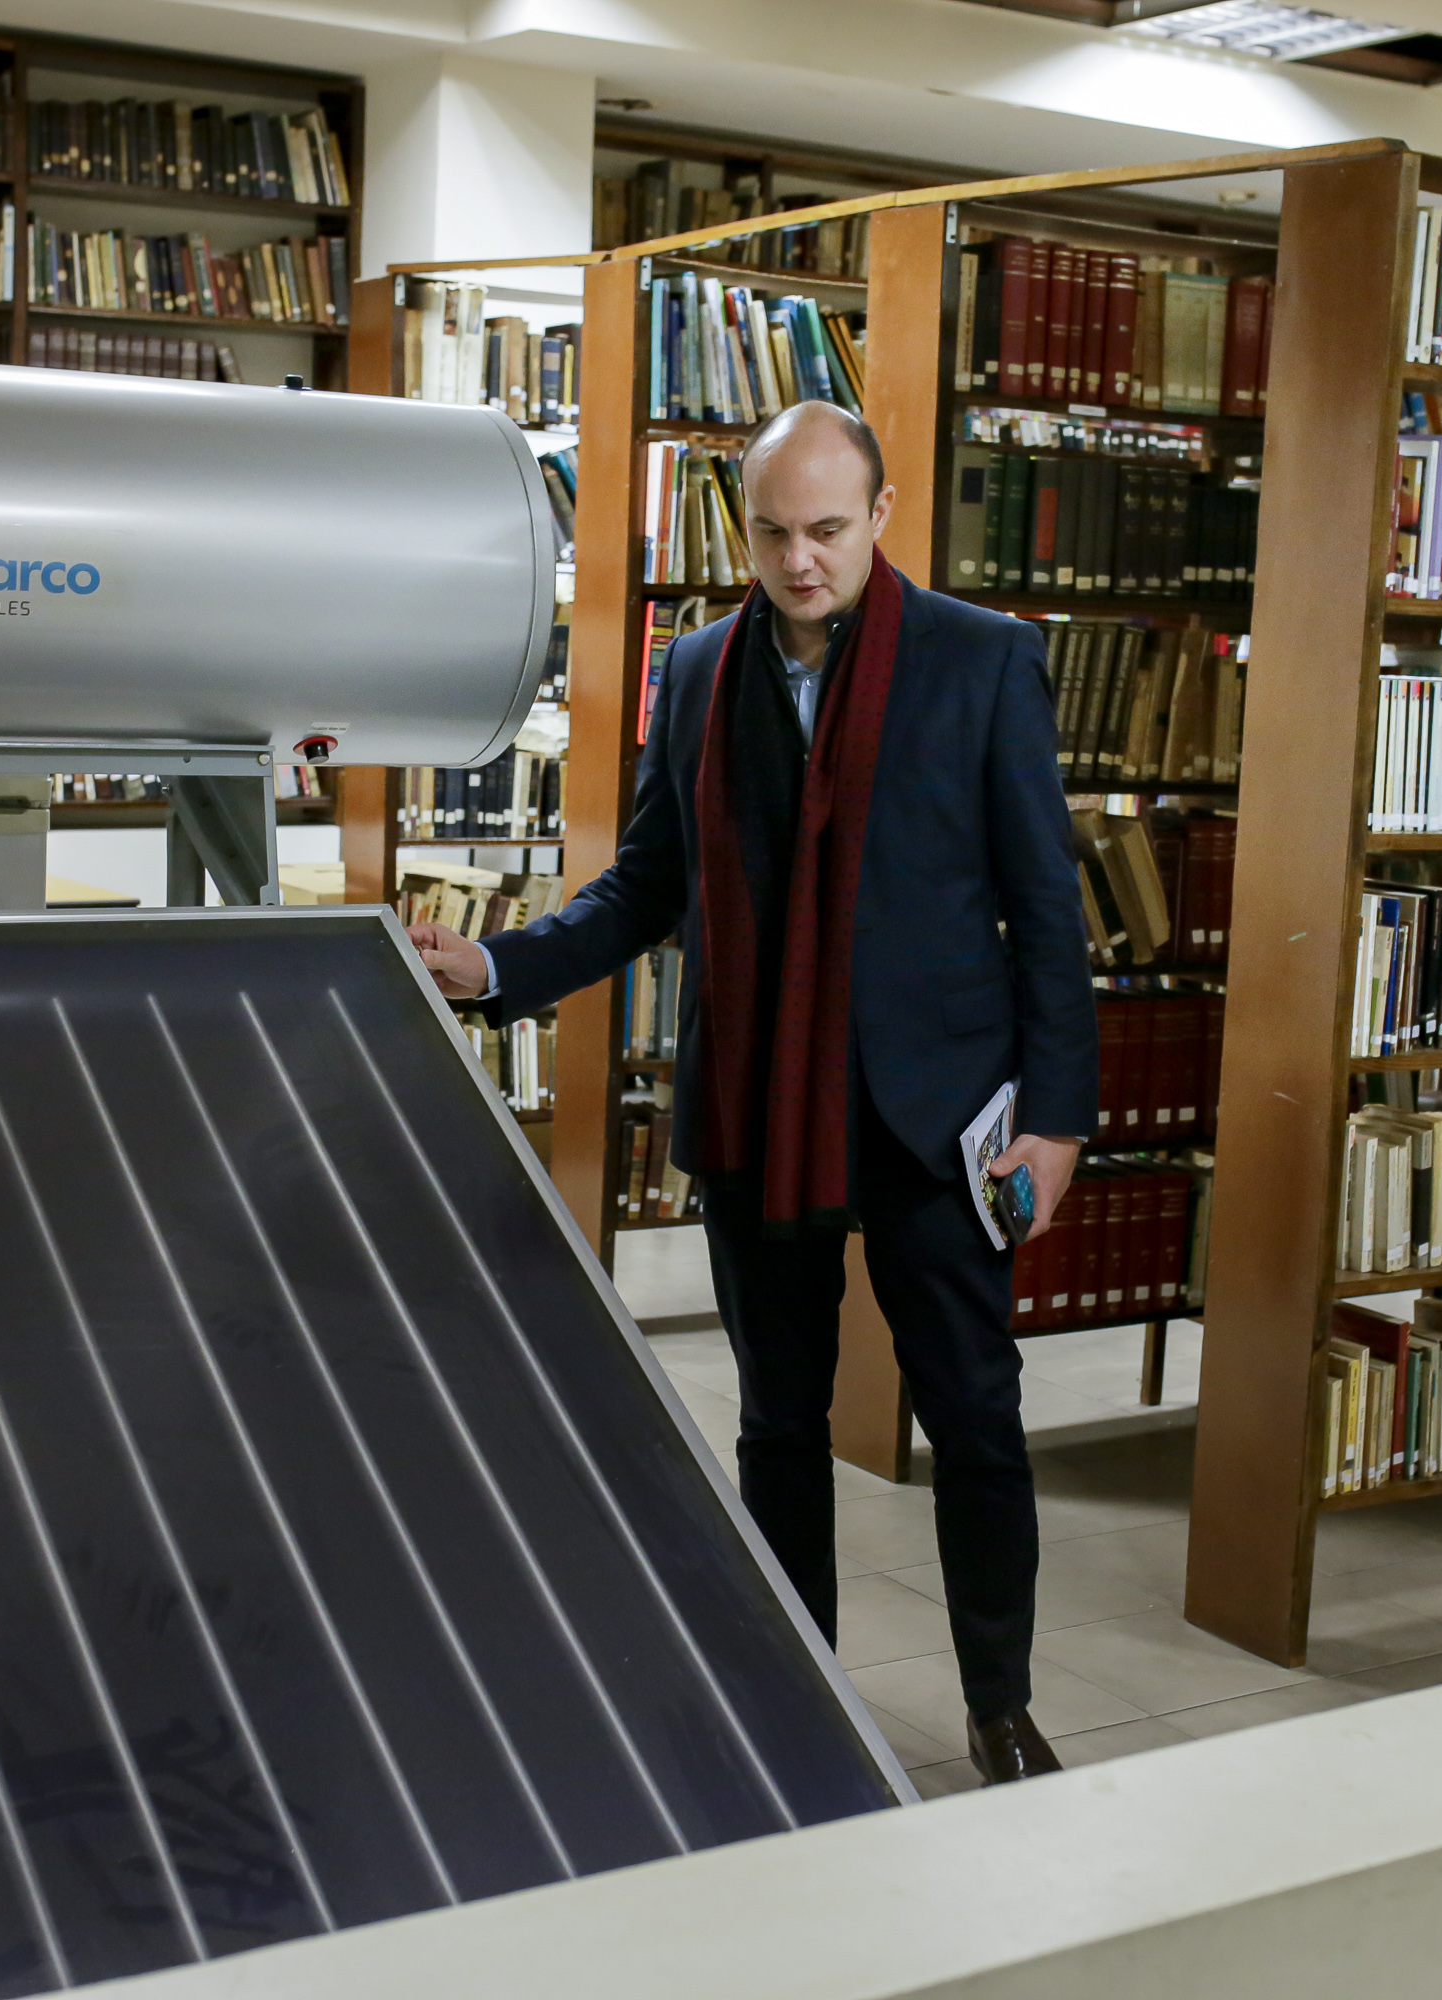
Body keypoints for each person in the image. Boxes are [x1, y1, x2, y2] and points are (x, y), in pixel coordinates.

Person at [408, 401, 1096, 1783]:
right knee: (778, 1422)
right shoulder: (703, 668)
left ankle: (1001, 1705)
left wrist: (1058, 1117)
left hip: (935, 1116)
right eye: (775, 532)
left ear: (883, 518)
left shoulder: (981, 661)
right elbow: (649, 885)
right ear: (745, 526)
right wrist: (499, 961)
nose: (800, 561)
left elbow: (1044, 907)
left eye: (829, 531)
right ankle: (806, 1696)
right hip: (756, 1112)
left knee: (974, 1412)